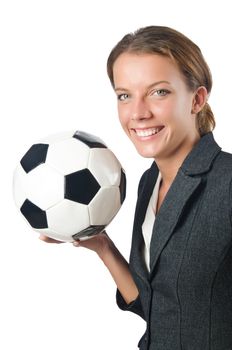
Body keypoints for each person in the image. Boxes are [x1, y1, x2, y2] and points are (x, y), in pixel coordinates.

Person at [40, 26, 232, 349]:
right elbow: (156, 307)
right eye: (125, 95)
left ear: (197, 99)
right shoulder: (148, 182)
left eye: (159, 92)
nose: (138, 113)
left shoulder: (227, 183)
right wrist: (102, 245)